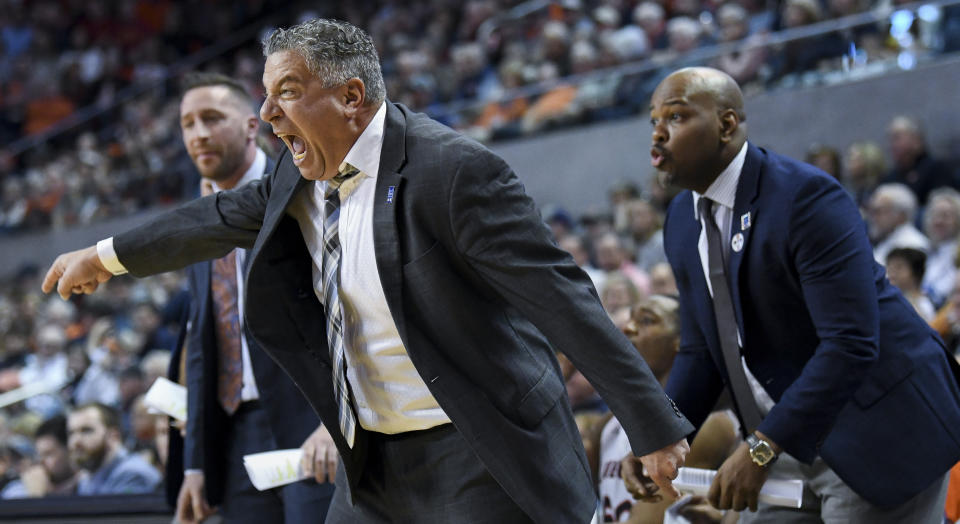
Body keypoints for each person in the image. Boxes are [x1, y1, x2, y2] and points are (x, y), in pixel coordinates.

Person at [42, 18, 692, 523]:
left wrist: (653, 425)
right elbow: (204, 222)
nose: (268, 116)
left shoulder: (454, 172)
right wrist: (103, 256)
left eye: (287, 94)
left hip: (477, 448)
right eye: (266, 96)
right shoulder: (296, 174)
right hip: (373, 460)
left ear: (352, 98)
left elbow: (564, 301)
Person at [623, 66, 960, 522]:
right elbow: (701, 351)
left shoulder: (805, 197)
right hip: (787, 433)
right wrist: (656, 433)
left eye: (677, 117)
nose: (659, 134)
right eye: (653, 121)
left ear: (726, 125)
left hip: (876, 425)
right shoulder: (682, 220)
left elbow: (852, 343)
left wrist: (761, 448)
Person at [166, 72, 334, 524]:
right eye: (188, 123)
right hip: (237, 431)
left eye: (212, 118)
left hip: (311, 421)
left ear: (250, 125)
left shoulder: (302, 189)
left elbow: (348, 309)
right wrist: (196, 464)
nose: (198, 133)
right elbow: (205, 347)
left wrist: (336, 422)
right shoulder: (199, 218)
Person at [67, 402, 161, 495]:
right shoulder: (87, 478)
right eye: (71, 433)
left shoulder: (132, 474)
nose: (75, 441)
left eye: (86, 431)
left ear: (113, 437)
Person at [1, 415, 78, 498]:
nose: (41, 461)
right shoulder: (16, 490)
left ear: (70, 450)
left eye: (48, 454)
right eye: (40, 455)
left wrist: (36, 497)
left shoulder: (87, 485)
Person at [867, 182, 929, 264]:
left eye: (879, 211)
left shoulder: (913, 245)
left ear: (901, 215)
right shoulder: (886, 239)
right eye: (873, 212)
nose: (874, 218)